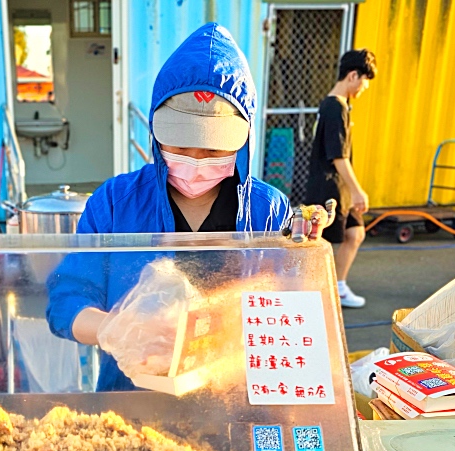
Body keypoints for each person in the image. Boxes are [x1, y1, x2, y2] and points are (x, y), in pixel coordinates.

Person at [46, 23, 291, 391]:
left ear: (243, 141)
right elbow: (66, 300)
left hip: (234, 399)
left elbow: (287, 308)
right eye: (178, 146)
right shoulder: (115, 203)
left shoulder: (267, 211)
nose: (195, 161)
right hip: (129, 399)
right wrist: (112, 328)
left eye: (212, 149)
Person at [304, 49, 377, 309]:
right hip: (329, 184)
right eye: (364, 81)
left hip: (339, 184)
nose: (364, 87)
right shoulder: (335, 107)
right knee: (319, 241)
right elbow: (338, 155)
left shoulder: (339, 105)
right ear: (352, 75)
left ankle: (338, 286)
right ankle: (312, 291)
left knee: (355, 233)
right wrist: (358, 191)